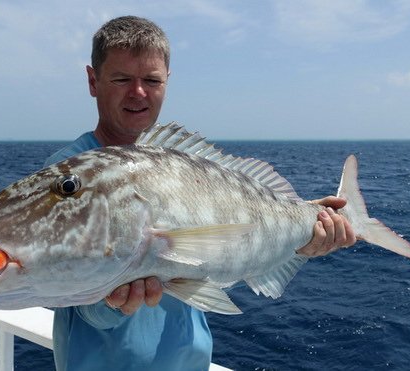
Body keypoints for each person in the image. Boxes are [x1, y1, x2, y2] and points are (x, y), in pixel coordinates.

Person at [45, 15, 356, 371]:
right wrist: (109, 302)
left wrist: (304, 236)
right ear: (93, 81)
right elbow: (66, 289)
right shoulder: (68, 175)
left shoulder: (189, 166)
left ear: (167, 82)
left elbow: (239, 241)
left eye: (151, 80)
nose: (138, 92)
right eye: (121, 79)